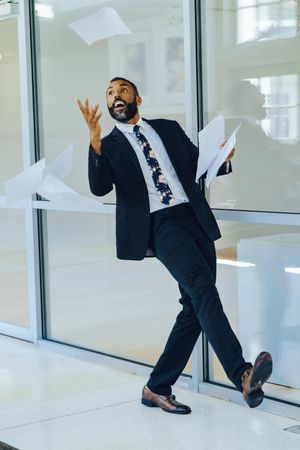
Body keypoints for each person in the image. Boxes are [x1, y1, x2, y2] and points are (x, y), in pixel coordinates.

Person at [77, 77, 273, 415]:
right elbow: (99, 187)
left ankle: (156, 388)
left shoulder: (167, 128)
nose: (115, 96)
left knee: (195, 306)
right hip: (161, 225)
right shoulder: (107, 145)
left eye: (122, 90)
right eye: (109, 93)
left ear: (137, 97)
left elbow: (199, 165)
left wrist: (223, 157)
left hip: (194, 217)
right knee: (203, 291)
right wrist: (94, 146)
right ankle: (241, 373)